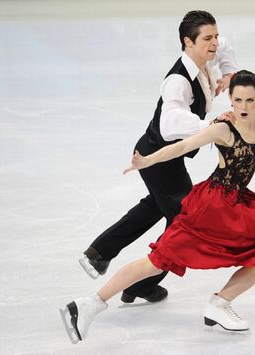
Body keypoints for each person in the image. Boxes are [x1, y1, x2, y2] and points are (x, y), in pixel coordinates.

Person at [60, 70, 255, 344]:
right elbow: (182, 147)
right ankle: (89, 304)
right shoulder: (223, 127)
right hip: (211, 207)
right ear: (230, 99)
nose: (243, 107)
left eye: (249, 99)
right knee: (159, 260)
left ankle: (219, 304)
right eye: (237, 100)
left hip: (238, 204)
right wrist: (147, 161)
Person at [78, 10, 238, 304]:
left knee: (155, 206)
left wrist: (228, 72)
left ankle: (99, 253)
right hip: (157, 156)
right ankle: (141, 283)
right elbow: (169, 123)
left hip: (167, 157)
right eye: (208, 38)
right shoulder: (177, 81)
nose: (215, 42)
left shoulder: (206, 53)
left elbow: (225, 47)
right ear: (187, 42)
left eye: (215, 35)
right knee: (184, 221)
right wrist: (211, 125)